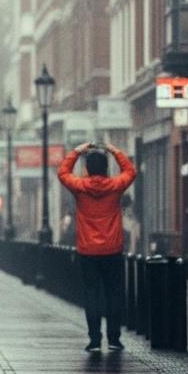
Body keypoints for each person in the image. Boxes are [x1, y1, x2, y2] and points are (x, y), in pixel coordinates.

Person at [58, 142, 137, 352]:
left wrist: (77, 150)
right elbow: (131, 171)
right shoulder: (115, 186)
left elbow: (62, 172)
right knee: (113, 294)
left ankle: (94, 339)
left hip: (88, 251)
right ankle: (114, 338)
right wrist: (115, 149)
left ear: (87, 169)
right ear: (105, 168)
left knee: (92, 295)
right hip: (112, 250)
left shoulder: (80, 188)